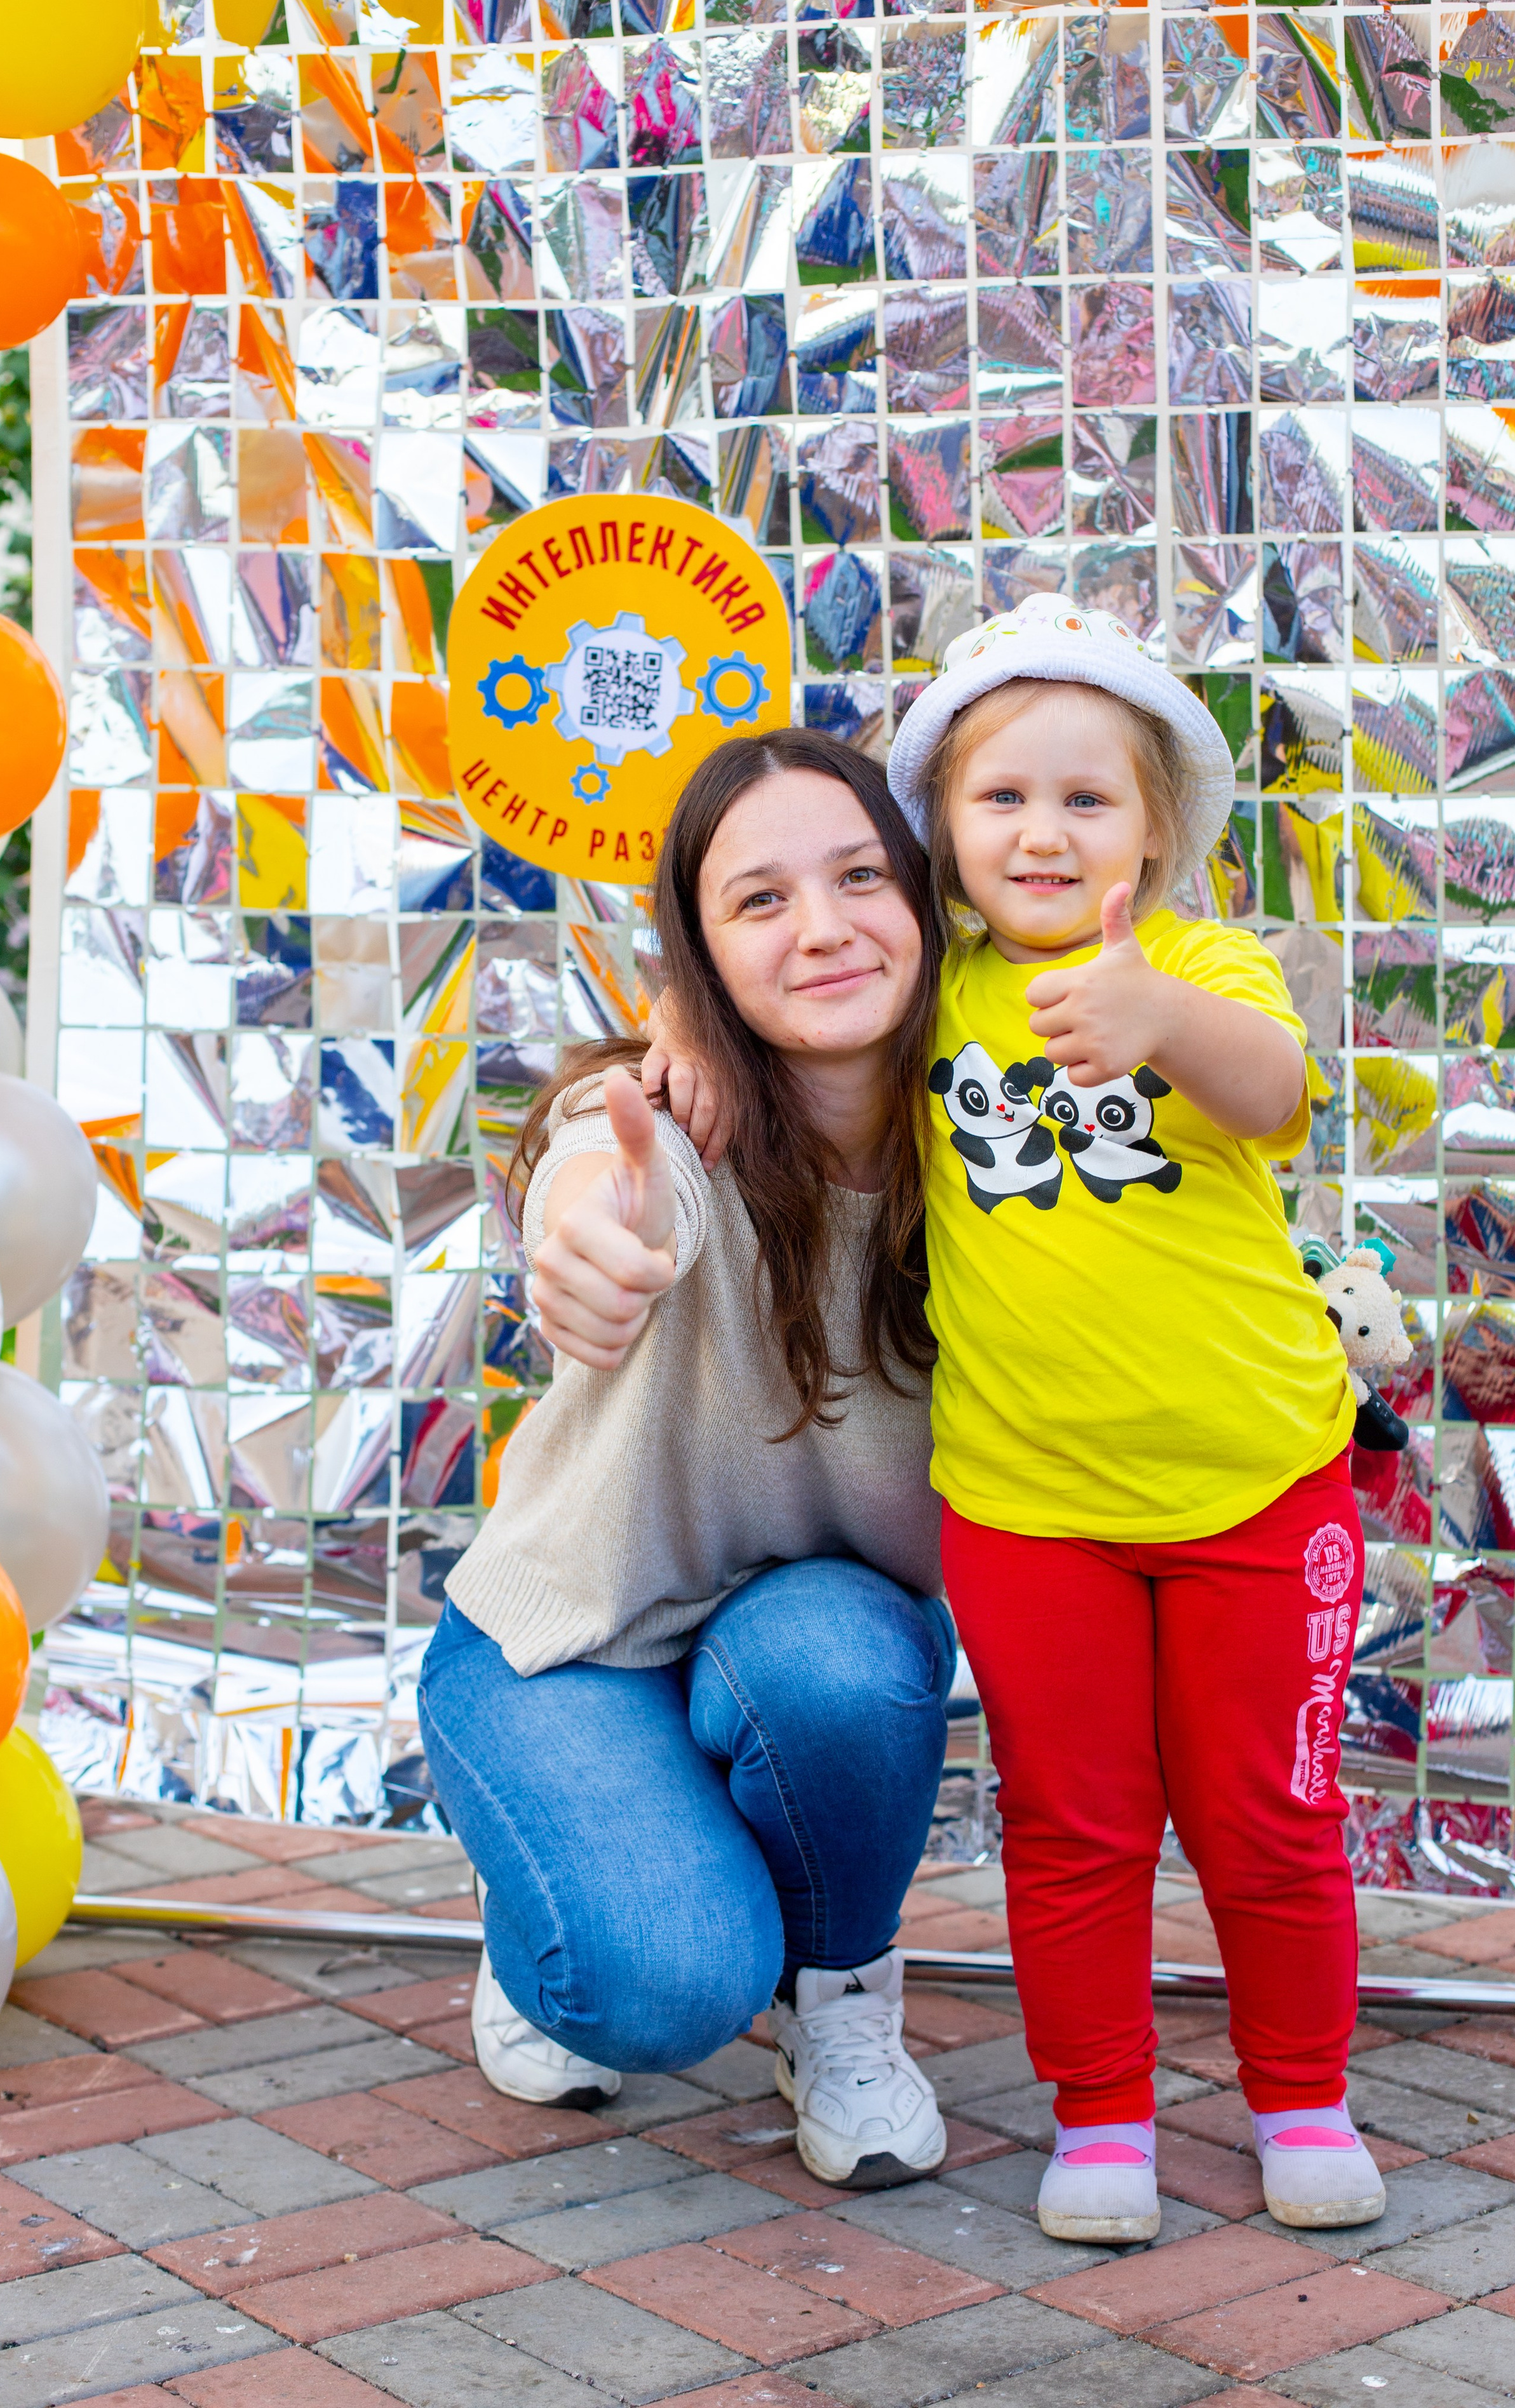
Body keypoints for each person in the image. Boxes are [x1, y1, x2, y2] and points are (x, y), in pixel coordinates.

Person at [887, 597, 1376, 2242]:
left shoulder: (1201, 968)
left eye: (1085, 798)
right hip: (1030, 1510)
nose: (1042, 831)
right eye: (1002, 797)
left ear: (1154, 832)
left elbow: (1275, 1089)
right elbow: (781, 1034)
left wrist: (1157, 1020)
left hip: (1259, 1488)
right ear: (944, 831)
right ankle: (1099, 2116)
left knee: (1266, 1819)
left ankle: (1301, 2096)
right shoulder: (927, 996)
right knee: (1072, 1825)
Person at [417, 729, 959, 2191]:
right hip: (566, 1641)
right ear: (700, 952)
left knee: (844, 1664)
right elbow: (599, 1189)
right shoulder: (664, 1125)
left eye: (860, 877)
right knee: (652, 1988)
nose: (823, 926)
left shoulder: (1004, 1149)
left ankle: (839, 1997)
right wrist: (589, 1247)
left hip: (801, 1638)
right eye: (759, 900)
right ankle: (544, 1899)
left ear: (926, 901)